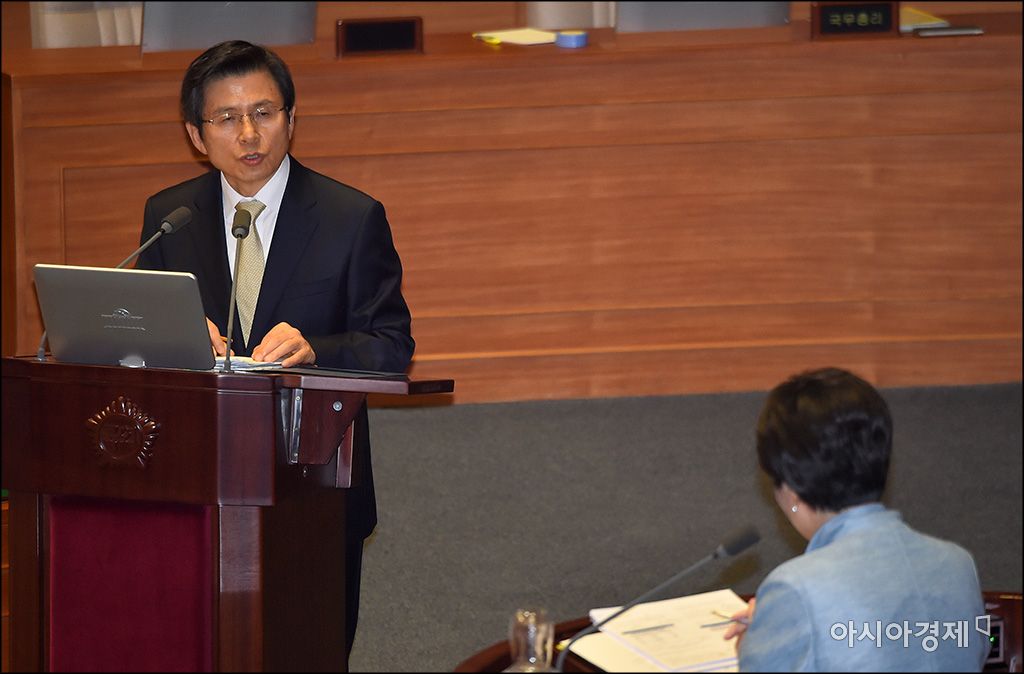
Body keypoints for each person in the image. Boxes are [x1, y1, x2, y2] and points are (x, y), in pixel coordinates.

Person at [135, 40, 414, 655]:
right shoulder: (169, 217)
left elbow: (392, 346)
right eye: (226, 117)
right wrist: (173, 339)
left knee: (307, 649)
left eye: (263, 112)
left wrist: (316, 348)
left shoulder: (350, 217)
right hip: (196, 481)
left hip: (314, 483)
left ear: (291, 118)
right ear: (196, 134)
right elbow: (140, 346)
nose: (248, 134)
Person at [723, 367, 989, 671]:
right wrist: (780, 619)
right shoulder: (958, 564)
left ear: (792, 493)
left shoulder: (795, 588)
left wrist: (753, 643)